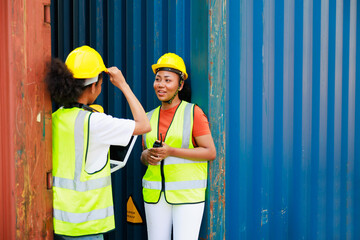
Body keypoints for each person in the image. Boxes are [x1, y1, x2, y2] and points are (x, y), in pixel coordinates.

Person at [44, 45, 151, 240]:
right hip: (87, 224)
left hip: (61, 222)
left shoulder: (55, 118)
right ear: (94, 85)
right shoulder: (95, 122)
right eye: (101, 84)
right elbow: (144, 124)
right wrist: (123, 85)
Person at [140, 53, 216, 240]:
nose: (161, 85)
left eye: (167, 80)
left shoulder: (193, 113)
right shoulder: (148, 117)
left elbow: (210, 152)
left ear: (180, 85)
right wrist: (146, 156)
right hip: (154, 196)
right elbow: (143, 156)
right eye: (158, 79)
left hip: (187, 196)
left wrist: (171, 151)